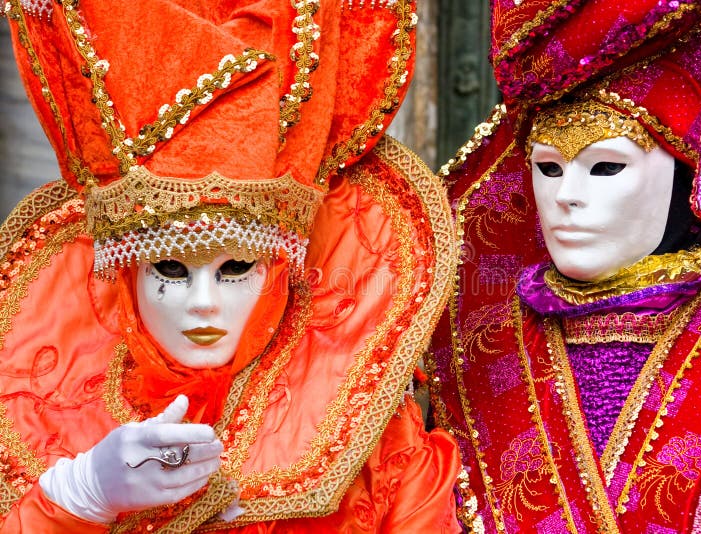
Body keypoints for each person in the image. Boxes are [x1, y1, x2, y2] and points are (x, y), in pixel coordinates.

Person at [0, 0, 462, 531]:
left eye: (236, 267)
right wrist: (76, 500)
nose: (203, 302)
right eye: (171, 269)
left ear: (280, 267)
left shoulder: (371, 432)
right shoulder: (42, 405)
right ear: (125, 272)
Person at [426, 0, 701, 532]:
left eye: (605, 166)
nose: (567, 197)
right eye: (548, 168)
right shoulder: (466, 341)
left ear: (686, 175)